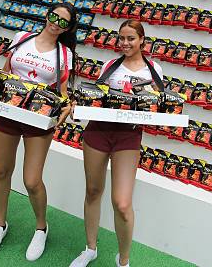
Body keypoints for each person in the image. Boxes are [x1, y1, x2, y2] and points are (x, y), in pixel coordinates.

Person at [0, 4, 76, 261]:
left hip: (38, 118)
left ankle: (41, 228)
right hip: (7, 112)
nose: (56, 23)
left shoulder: (65, 53)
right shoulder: (22, 38)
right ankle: (0, 225)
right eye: (54, 16)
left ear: (68, 28)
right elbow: (5, 71)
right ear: (46, 15)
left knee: (32, 180)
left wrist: (67, 106)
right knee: (1, 170)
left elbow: (63, 92)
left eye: (63, 22)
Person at [69, 20, 163, 267]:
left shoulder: (153, 70)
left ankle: (123, 261)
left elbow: (158, 108)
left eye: (131, 38)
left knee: (122, 203)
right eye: (121, 38)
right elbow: (96, 98)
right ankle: (90, 248)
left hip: (128, 137)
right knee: (93, 191)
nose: (125, 43)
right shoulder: (110, 65)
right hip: (98, 132)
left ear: (142, 39)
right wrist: (79, 107)